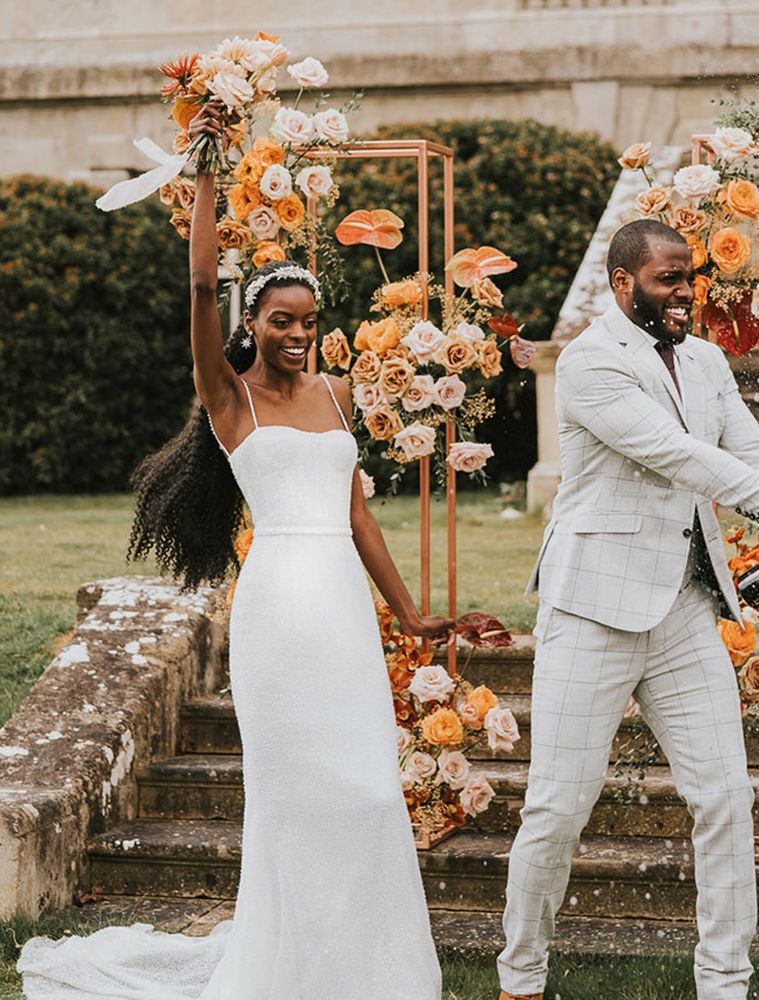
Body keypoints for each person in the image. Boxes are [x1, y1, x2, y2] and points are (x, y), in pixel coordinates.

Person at [18, 102, 449, 1000]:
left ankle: (364, 973)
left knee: (369, 794)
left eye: (309, 319)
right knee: (296, 803)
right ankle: (290, 972)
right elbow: (199, 282)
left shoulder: (334, 393)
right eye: (282, 320)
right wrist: (208, 172)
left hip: (343, 610)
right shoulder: (230, 399)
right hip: (281, 613)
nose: (299, 333)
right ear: (255, 323)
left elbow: (361, 518)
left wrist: (412, 617)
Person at [496, 219, 759, 1000]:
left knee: (725, 797)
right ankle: (519, 979)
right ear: (623, 283)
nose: (684, 291)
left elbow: (746, 446)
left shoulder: (703, 358)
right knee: (558, 809)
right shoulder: (591, 363)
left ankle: (726, 984)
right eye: (666, 278)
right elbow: (675, 453)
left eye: (688, 276)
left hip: (686, 606)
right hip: (592, 607)